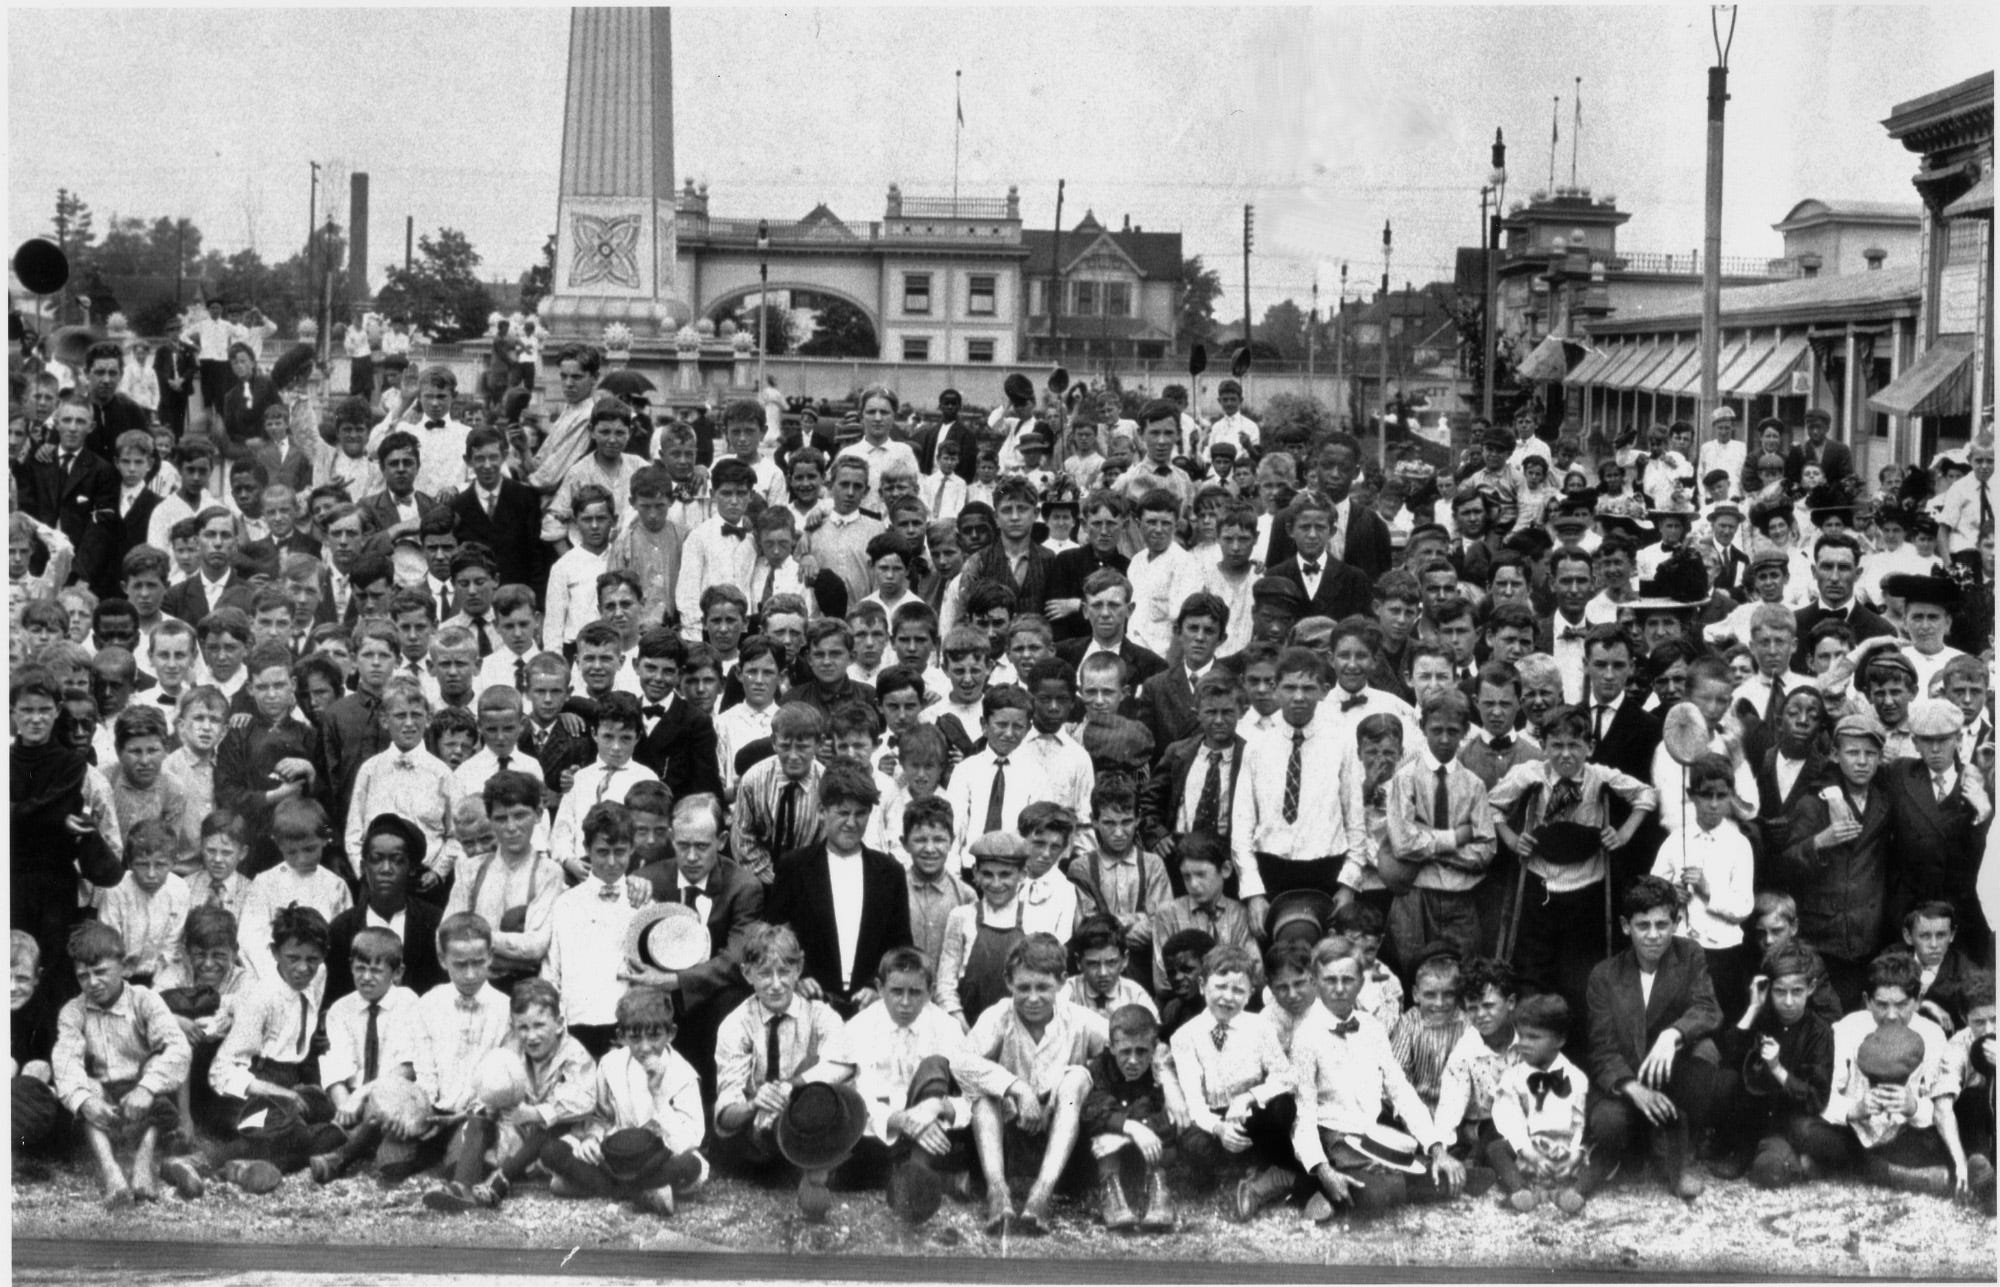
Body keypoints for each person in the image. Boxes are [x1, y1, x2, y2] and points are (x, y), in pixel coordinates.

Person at [1488, 704, 1658, 1022]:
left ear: (1589, 747)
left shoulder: (1599, 777)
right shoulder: (1530, 775)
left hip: (1585, 889)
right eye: (1557, 746)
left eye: (1574, 746)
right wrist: (1512, 840)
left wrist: (1623, 833)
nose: (1566, 755)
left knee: (1579, 975)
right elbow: (1491, 805)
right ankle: (1535, 1036)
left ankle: (1579, 1042)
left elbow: (1646, 795)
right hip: (1540, 885)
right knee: (1535, 971)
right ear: (1543, 746)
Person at [951, 931, 1109, 1235]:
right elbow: (960, 1062)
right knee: (983, 1095)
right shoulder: (999, 1016)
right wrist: (1016, 1088)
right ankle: (997, 1191)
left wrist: (1072, 1083)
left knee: (1075, 1079)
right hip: (1006, 1136)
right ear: (1009, 982)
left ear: (1062, 982)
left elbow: (1127, 1051)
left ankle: (1041, 1194)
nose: (1033, 998)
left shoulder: (1079, 1020)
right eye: (1023, 987)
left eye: (1043, 987)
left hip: (1061, 1137)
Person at [1582, 874, 1726, 1203]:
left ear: (1676, 923)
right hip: (1629, 1081)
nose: (1653, 935)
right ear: (1625, 926)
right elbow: (1602, 1049)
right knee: (1607, 1124)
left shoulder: (1689, 955)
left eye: (1662, 925)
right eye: (1642, 925)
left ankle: (1677, 1155)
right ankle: (1633, 1149)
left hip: (1672, 1077)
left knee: (1707, 1052)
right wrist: (1633, 1088)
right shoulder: (1604, 975)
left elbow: (1707, 1008)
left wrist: (1672, 1035)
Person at [422, 977, 596, 1214]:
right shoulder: (513, 1048)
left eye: (539, 1025)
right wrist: (479, 1109)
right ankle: (462, 1185)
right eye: (523, 1027)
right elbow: (493, 1086)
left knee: (549, 1129)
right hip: (518, 1133)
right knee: (482, 1114)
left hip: (556, 1141)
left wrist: (535, 1113)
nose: (530, 1036)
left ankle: (501, 1181)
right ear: (513, 1027)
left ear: (559, 1023)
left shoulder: (574, 1055)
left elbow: (584, 1101)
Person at [51, 920, 194, 1207]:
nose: (93, 983)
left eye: (101, 972)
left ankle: (144, 1160)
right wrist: (84, 1101)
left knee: (158, 1063)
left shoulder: (144, 1000)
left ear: (122, 965)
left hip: (141, 1090)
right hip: (104, 1096)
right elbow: (65, 1061)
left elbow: (179, 1048)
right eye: (83, 976)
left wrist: (147, 1088)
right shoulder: (73, 1011)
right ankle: (110, 1171)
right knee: (84, 1089)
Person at [764, 760, 913, 1017]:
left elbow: (900, 945)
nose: (851, 823)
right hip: (810, 1002)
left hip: (870, 1006)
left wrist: (878, 986)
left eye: (861, 813)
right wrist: (798, 977)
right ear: (822, 811)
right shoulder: (794, 867)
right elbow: (774, 935)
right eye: (843, 813)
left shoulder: (890, 873)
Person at [1231, 647, 1366, 927]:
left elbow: (1355, 819)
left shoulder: (1340, 742)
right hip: (1271, 872)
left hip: (1326, 870)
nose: (1299, 697)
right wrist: (1253, 891)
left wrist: (1349, 884)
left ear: (1322, 691)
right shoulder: (1257, 746)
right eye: (1290, 687)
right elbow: (1242, 825)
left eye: (1308, 687)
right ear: (1276, 689)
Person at [1780, 712, 1895, 1010]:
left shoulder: (1884, 801)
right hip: (1824, 939)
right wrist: (1821, 841)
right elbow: (1785, 863)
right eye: (1852, 752)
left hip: (1868, 937)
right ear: (1834, 754)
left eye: (1870, 754)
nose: (1861, 761)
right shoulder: (1814, 803)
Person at [1706, 938, 1836, 1187]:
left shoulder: (1819, 1032)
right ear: (1769, 989)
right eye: (1779, 991)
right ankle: (1741, 1148)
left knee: (1769, 1171)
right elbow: (1728, 1057)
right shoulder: (1764, 1017)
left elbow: (1816, 1099)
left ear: (1811, 988)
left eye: (1796, 991)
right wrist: (1754, 1006)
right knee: (1725, 1081)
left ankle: (1787, 1158)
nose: (1788, 1001)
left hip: (1789, 1120)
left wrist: (1777, 1069)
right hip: (1753, 1115)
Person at [1383, 690, 1494, 962]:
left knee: (1465, 973)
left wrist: (1426, 840)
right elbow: (1403, 843)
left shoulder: (1473, 784)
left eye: (1452, 731)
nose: (1444, 739)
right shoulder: (1405, 779)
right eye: (1436, 730)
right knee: (1415, 973)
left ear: (1465, 731)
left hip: (1461, 898)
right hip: (1416, 895)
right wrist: (1457, 838)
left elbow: (1486, 851)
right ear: (1423, 728)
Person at [543, 802, 651, 1059]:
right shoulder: (565, 904)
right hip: (575, 1025)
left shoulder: (644, 903)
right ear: (587, 849)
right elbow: (551, 970)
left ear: (632, 849)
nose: (611, 862)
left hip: (626, 1026)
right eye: (602, 852)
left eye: (620, 852)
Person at [1078, 1002, 1182, 1232]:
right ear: (1112, 1047)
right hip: (1107, 1152)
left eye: (1142, 1051)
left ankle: (1158, 1192)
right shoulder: (1099, 1069)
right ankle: (1112, 1194)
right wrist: (1131, 1127)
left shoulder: (1158, 1073)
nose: (1133, 1060)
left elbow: (1168, 1120)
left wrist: (1136, 1128)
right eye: (1125, 1051)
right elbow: (1092, 1111)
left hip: (1149, 1152)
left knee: (1161, 1137)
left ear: (1154, 1047)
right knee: (1102, 1135)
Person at [1486, 993, 1591, 1213]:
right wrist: (1529, 1153)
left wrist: (1572, 1155)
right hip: (1529, 1148)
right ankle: (1520, 1189)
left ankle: (1574, 1192)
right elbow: (1509, 1119)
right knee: (1496, 1148)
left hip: (1563, 1150)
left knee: (1600, 1154)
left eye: (1533, 1038)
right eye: (1522, 1036)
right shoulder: (1512, 1077)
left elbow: (1579, 1122)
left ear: (1559, 1041)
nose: (1524, 1044)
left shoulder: (1576, 1078)